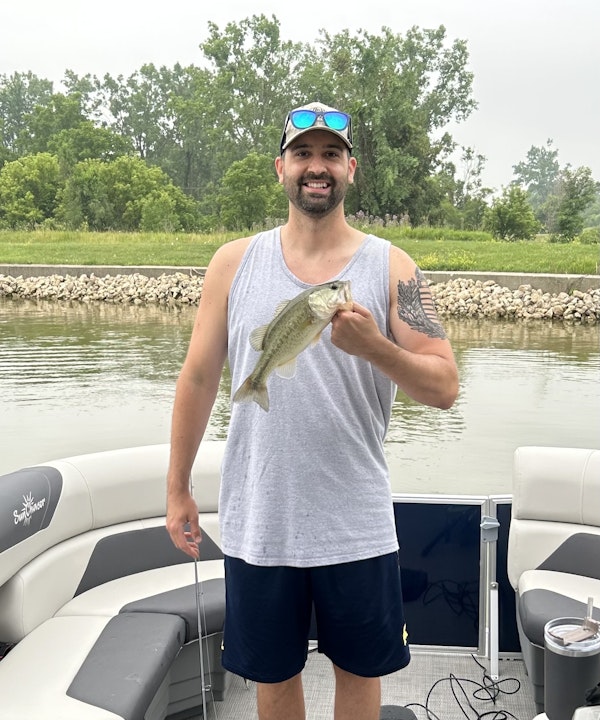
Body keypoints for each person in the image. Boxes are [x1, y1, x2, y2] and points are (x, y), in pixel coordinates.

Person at [166, 101, 459, 720]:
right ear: (281, 168)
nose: (316, 166)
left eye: (331, 154)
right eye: (303, 153)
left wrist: (376, 347)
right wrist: (177, 488)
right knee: (273, 678)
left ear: (351, 169)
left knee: (360, 673)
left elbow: (444, 386)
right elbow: (197, 377)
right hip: (259, 518)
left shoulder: (394, 267)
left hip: (356, 522)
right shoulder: (232, 263)